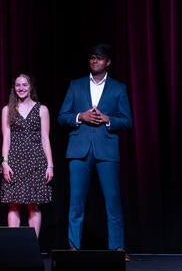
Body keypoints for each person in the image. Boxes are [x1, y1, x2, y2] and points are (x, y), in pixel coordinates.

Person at [57, 43, 132, 262]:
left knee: (113, 201)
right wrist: (80, 116)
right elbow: (63, 116)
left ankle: (118, 248)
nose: (94, 61)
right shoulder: (76, 85)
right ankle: (73, 247)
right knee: (76, 202)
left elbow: (128, 121)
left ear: (108, 62)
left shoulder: (118, 88)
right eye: (91, 58)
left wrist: (109, 119)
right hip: (79, 150)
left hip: (106, 150)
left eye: (99, 58)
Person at [0, 73, 54, 238]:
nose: (21, 88)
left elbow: (45, 138)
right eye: (18, 85)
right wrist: (5, 162)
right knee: (14, 204)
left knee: (33, 205)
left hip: (36, 160)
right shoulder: (8, 109)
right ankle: (14, 245)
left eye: (24, 85)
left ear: (30, 86)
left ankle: (32, 246)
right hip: (14, 160)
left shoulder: (42, 109)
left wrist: (50, 165)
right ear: (14, 88)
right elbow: (6, 138)